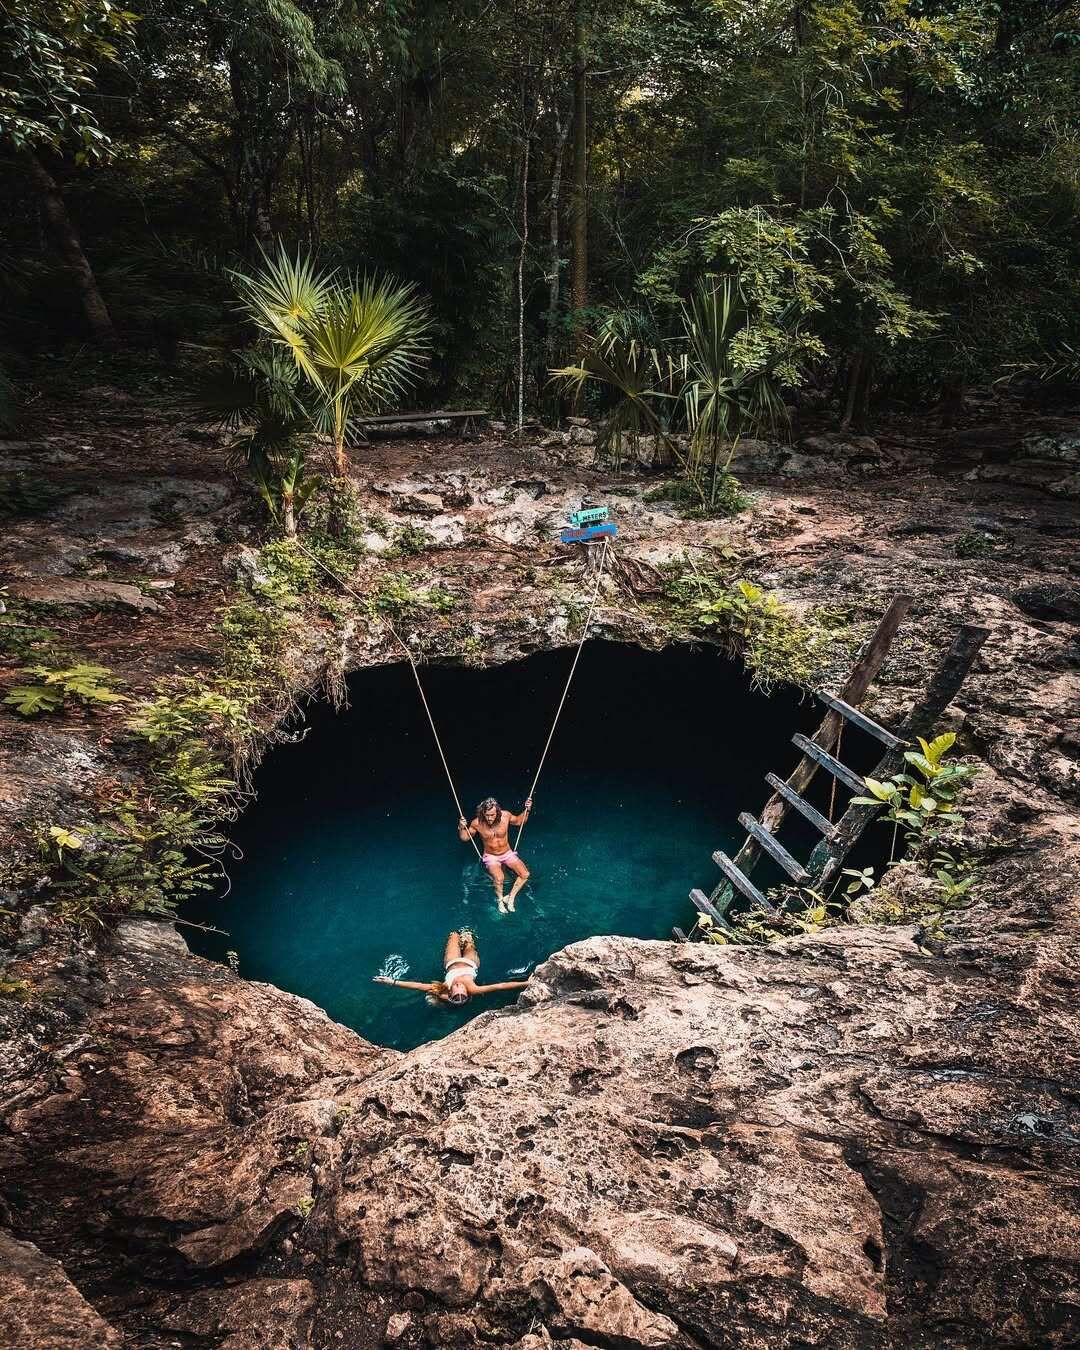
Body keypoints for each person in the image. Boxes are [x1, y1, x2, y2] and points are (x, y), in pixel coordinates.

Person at [373, 929, 528, 1006]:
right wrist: (526, 983)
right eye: (462, 989)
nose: (459, 985)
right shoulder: (473, 989)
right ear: (468, 993)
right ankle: (467, 936)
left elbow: (417, 985)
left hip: (451, 962)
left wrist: (392, 982)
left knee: (453, 935)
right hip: (470, 962)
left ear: (451, 992)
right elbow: (501, 986)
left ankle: (457, 936)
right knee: (468, 939)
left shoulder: (444, 987)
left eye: (457, 988)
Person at [459, 796, 532, 912]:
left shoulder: (505, 816)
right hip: (491, 857)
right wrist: (461, 827)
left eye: (492, 815)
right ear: (482, 812)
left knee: (525, 874)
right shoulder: (477, 822)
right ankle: (500, 901)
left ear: (497, 811)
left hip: (507, 853)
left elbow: (519, 821)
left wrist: (527, 810)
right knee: (499, 878)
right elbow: (465, 837)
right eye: (486, 815)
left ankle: (510, 897)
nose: (489, 818)